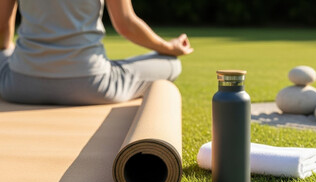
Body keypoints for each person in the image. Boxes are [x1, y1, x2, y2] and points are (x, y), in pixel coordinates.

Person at [0, 0, 193, 105]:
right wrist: (170, 47)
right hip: (92, 85)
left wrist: (8, 54)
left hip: (19, 85)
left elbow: (2, 28)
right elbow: (125, 25)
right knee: (172, 63)